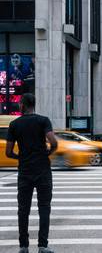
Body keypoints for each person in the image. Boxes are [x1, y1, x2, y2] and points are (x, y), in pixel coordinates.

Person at [5, 93, 58, 253]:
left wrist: (20, 156)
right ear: (33, 105)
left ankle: (23, 246)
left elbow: (8, 152)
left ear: (22, 104)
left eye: (19, 104)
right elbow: (53, 142)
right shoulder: (43, 120)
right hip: (43, 170)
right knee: (44, 207)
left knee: (23, 209)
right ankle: (43, 245)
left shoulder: (14, 124)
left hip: (25, 171)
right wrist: (48, 152)